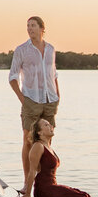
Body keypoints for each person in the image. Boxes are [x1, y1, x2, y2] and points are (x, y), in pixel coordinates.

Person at [9, 16, 60, 183]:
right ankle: (27, 181)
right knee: (28, 140)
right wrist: (23, 99)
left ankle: (45, 180)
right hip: (31, 100)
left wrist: (57, 95)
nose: (30, 29)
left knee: (46, 140)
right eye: (28, 26)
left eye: (33, 26)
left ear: (42, 29)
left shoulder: (51, 49)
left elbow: (54, 74)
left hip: (50, 100)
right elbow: (13, 76)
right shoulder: (22, 50)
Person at [13, 118, 93, 197]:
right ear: (39, 132)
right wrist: (28, 194)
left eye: (50, 124)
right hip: (44, 189)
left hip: (52, 187)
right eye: (46, 125)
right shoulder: (38, 146)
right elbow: (32, 172)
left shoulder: (49, 147)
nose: (51, 126)